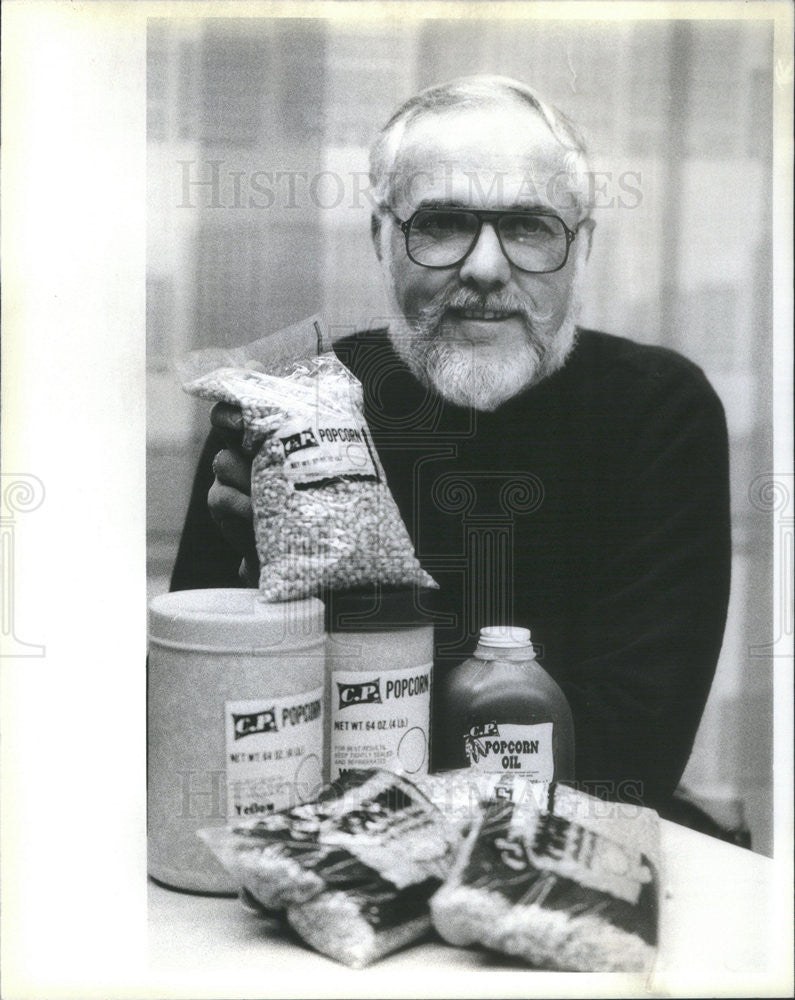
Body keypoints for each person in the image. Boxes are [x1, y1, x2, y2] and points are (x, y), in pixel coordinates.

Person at [170, 75, 731, 815]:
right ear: (379, 238)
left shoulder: (657, 410)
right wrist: (260, 585)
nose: (486, 268)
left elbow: (628, 757)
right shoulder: (283, 402)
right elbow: (200, 724)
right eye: (441, 223)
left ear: (582, 246)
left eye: (530, 226)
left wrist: (337, 611)